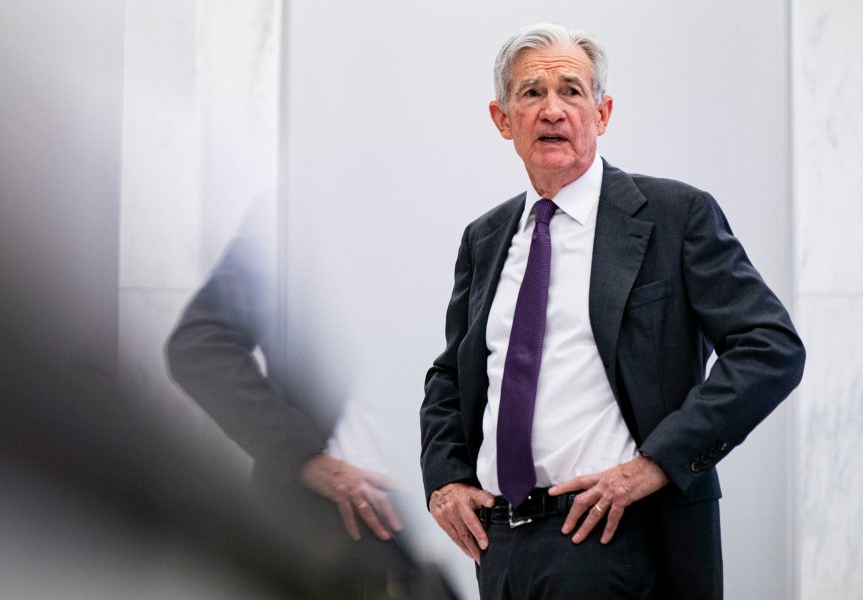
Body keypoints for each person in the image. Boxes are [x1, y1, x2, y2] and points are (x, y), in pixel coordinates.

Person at [419, 23, 805, 599]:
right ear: (503, 120)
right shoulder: (485, 237)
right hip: (501, 548)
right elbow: (452, 374)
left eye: (571, 91)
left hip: (617, 537)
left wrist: (656, 463)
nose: (553, 110)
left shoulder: (675, 216)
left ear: (602, 113)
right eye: (532, 93)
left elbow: (770, 347)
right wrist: (445, 479)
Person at [168, 200, 455, 599]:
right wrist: (303, 455)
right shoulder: (298, 211)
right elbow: (199, 347)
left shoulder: (485, 212)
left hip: (469, 532)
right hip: (340, 535)